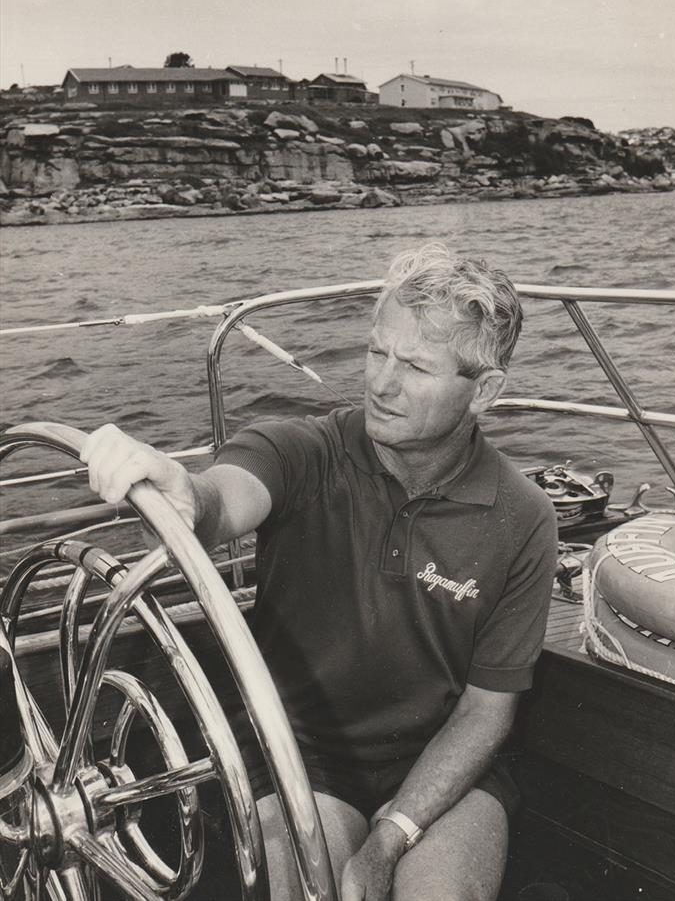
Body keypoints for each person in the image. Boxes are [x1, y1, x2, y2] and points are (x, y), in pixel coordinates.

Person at [81, 242, 558, 901]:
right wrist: (177, 492)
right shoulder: (301, 451)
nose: (381, 383)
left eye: (416, 365)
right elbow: (216, 501)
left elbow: (485, 713)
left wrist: (390, 839)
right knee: (305, 887)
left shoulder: (523, 516)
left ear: (485, 392)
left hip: (446, 769)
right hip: (302, 761)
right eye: (375, 351)